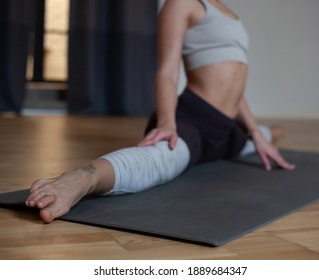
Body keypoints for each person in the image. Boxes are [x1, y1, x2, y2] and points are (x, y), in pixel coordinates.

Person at [25, 0, 295, 223]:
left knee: (270, 135)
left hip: (224, 127)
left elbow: (235, 88)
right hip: (195, 119)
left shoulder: (229, 12)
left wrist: (257, 133)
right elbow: (167, 70)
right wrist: (167, 122)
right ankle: (84, 178)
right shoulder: (182, 3)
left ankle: (267, 134)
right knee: (163, 162)